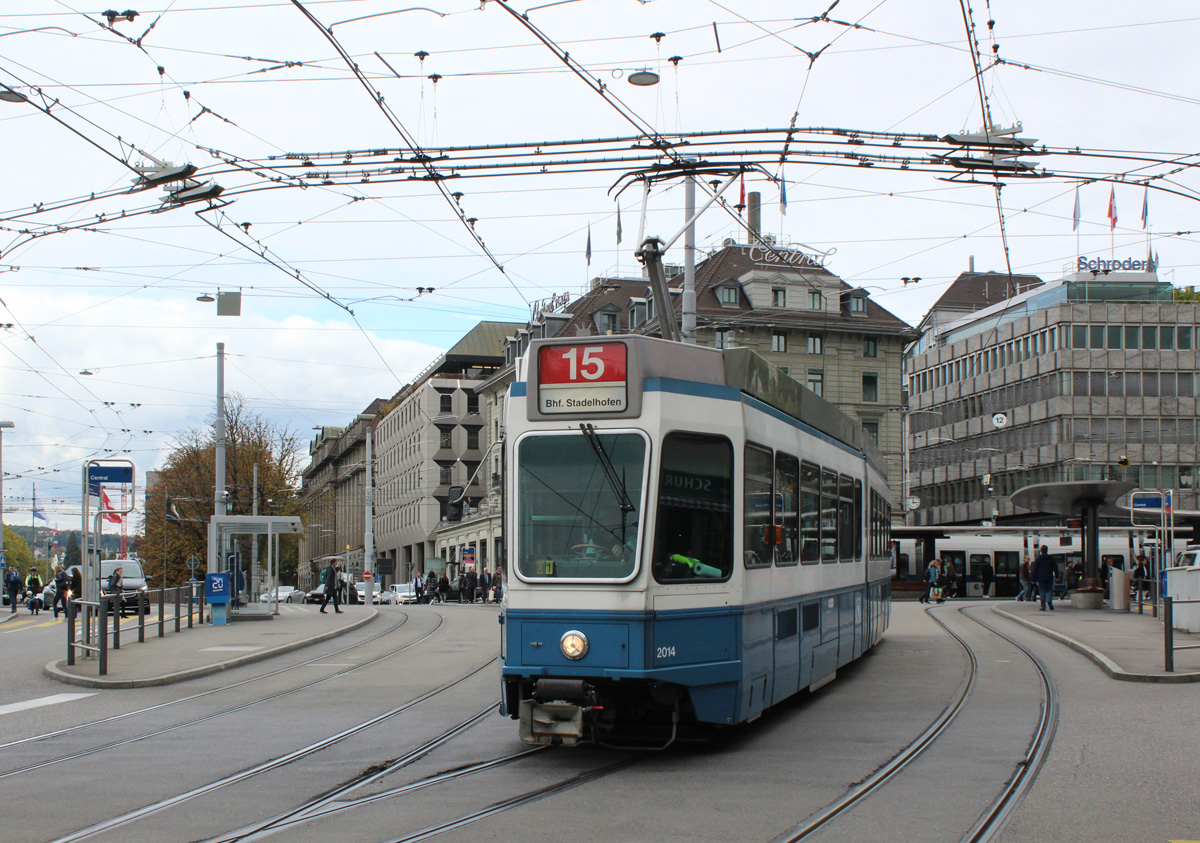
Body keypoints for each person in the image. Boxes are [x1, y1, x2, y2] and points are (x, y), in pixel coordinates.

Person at [1031, 545, 1057, 611]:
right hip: (1049, 577)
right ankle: (1048, 600)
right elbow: (1055, 568)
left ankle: (1043, 606)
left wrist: (1033, 579)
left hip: (1040, 578)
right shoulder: (1051, 558)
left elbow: (1034, 569)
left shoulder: (1038, 559)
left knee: (1041, 591)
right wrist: (1057, 576)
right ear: (1047, 550)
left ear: (1041, 551)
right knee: (1049, 590)